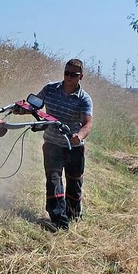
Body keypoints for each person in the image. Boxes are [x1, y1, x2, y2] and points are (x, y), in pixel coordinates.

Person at [36, 58, 93, 230]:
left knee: (74, 183)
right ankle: (58, 221)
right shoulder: (50, 89)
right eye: (66, 73)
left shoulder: (84, 99)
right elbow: (35, 105)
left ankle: (73, 214)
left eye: (73, 75)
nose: (68, 77)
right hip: (52, 143)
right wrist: (22, 108)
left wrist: (80, 135)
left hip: (73, 147)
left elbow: (87, 123)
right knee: (53, 180)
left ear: (80, 76)